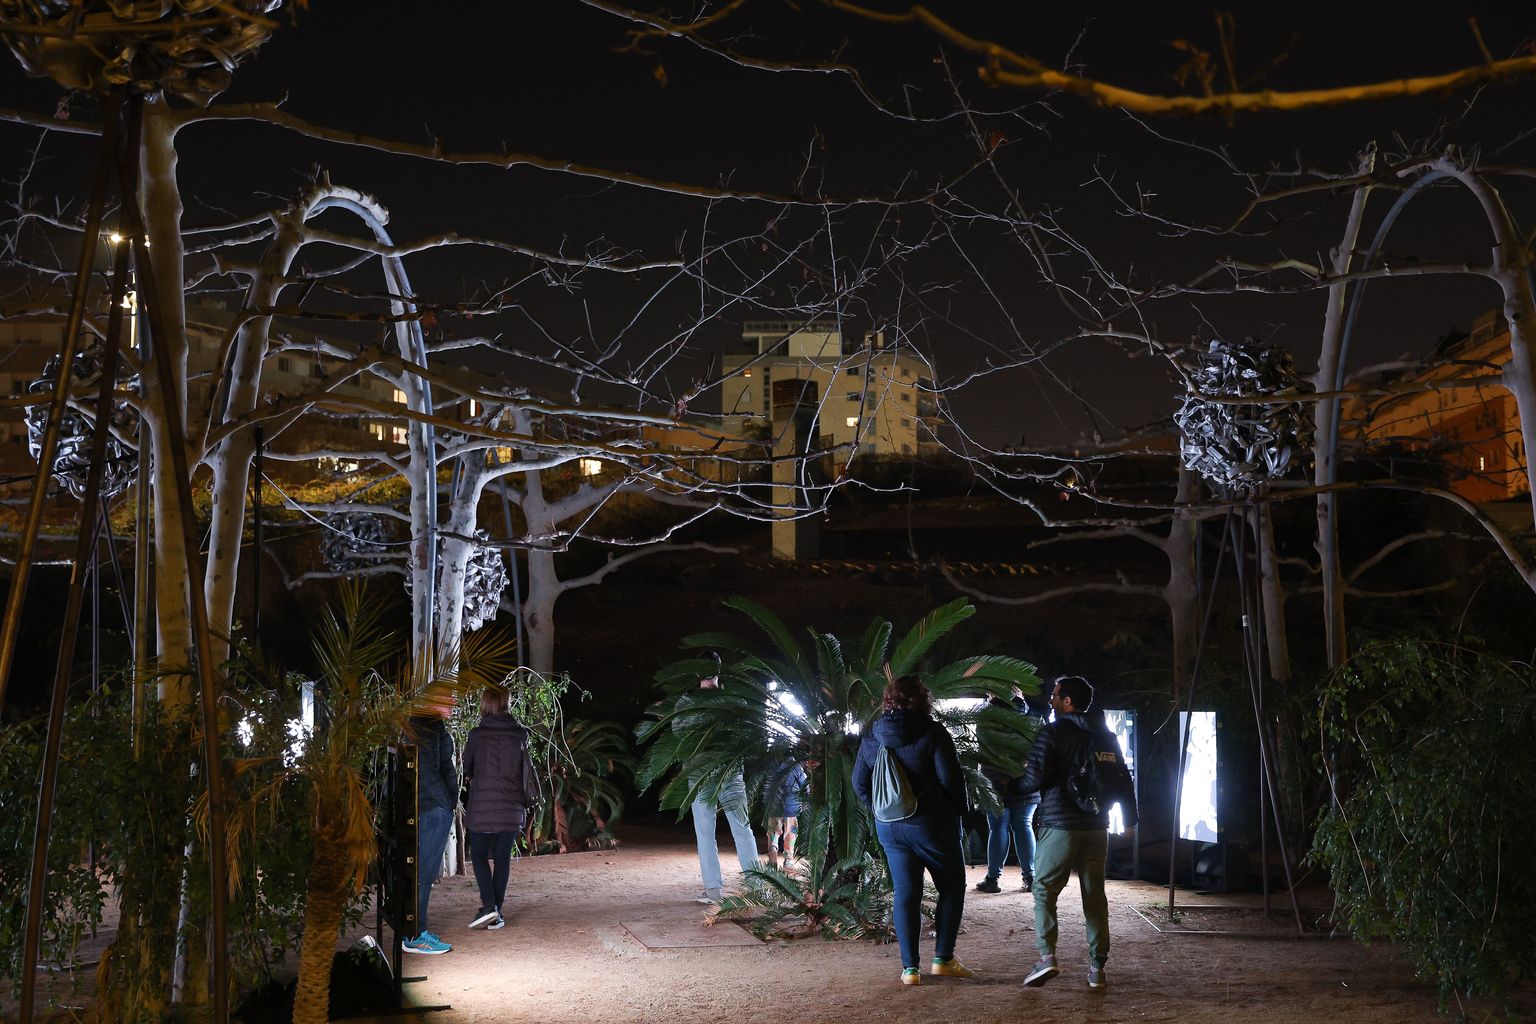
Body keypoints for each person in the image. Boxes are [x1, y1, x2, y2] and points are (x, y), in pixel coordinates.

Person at [852, 675, 973, 987]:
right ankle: (943, 959)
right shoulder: (933, 733)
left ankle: (910, 970)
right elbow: (951, 782)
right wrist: (960, 813)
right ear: (922, 700)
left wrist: (883, 810)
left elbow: (859, 784)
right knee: (951, 888)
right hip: (933, 826)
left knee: (906, 893)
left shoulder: (872, 735)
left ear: (888, 701)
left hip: (890, 829)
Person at [1019, 675, 1138, 991]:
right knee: (1094, 895)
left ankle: (1047, 957)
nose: (1051, 701)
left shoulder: (1053, 733)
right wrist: (1130, 818)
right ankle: (1097, 969)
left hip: (1059, 824)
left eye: (1055, 695)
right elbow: (1124, 779)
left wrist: (1009, 787)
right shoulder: (1106, 736)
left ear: (1067, 701)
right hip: (1097, 827)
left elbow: (1033, 779)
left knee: (1044, 888)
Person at [680, 652, 760, 904]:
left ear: (697, 672)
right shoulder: (734, 701)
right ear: (718, 671)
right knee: (743, 829)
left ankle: (714, 891)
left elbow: (678, 734)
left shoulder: (686, 702)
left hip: (700, 772)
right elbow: (747, 734)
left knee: (705, 833)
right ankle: (756, 886)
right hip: (731, 770)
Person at [462, 686, 540, 931]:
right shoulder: (519, 734)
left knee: (478, 856)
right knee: (502, 858)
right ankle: (496, 910)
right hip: (511, 808)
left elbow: (467, 768)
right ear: (506, 705)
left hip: (482, 808)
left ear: (485, 705)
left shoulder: (477, 735)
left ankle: (489, 906)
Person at [403, 705, 459, 955]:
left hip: (432, 807)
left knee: (423, 873)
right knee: (423, 874)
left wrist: (450, 799)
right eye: (448, 696)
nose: (454, 702)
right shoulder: (422, 726)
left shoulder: (431, 724)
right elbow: (425, 771)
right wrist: (446, 803)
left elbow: (443, 764)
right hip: (429, 808)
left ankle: (416, 930)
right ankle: (415, 935)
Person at [975, 686, 1041, 894]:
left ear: (994, 694)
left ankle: (993, 880)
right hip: (1026, 781)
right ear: (1019, 695)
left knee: (998, 828)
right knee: (1024, 825)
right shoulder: (1033, 718)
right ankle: (1030, 878)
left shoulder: (986, 719)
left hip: (995, 782)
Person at [764, 756, 807, 868]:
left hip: (774, 807)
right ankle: (788, 860)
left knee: (773, 833)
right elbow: (805, 786)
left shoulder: (773, 767)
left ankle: (772, 858)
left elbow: (767, 786)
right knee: (790, 834)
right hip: (791, 808)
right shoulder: (797, 768)